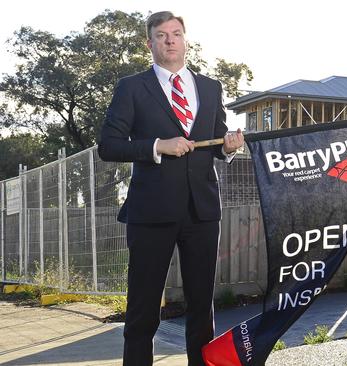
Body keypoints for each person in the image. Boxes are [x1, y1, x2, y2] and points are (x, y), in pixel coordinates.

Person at [98, 11, 244, 366]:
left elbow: (216, 143)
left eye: (176, 33)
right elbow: (109, 146)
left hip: (202, 211)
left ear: (185, 39)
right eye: (161, 35)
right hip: (151, 212)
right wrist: (156, 146)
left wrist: (228, 147)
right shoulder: (132, 87)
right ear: (150, 44)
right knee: (143, 311)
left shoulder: (210, 87)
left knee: (201, 310)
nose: (170, 40)